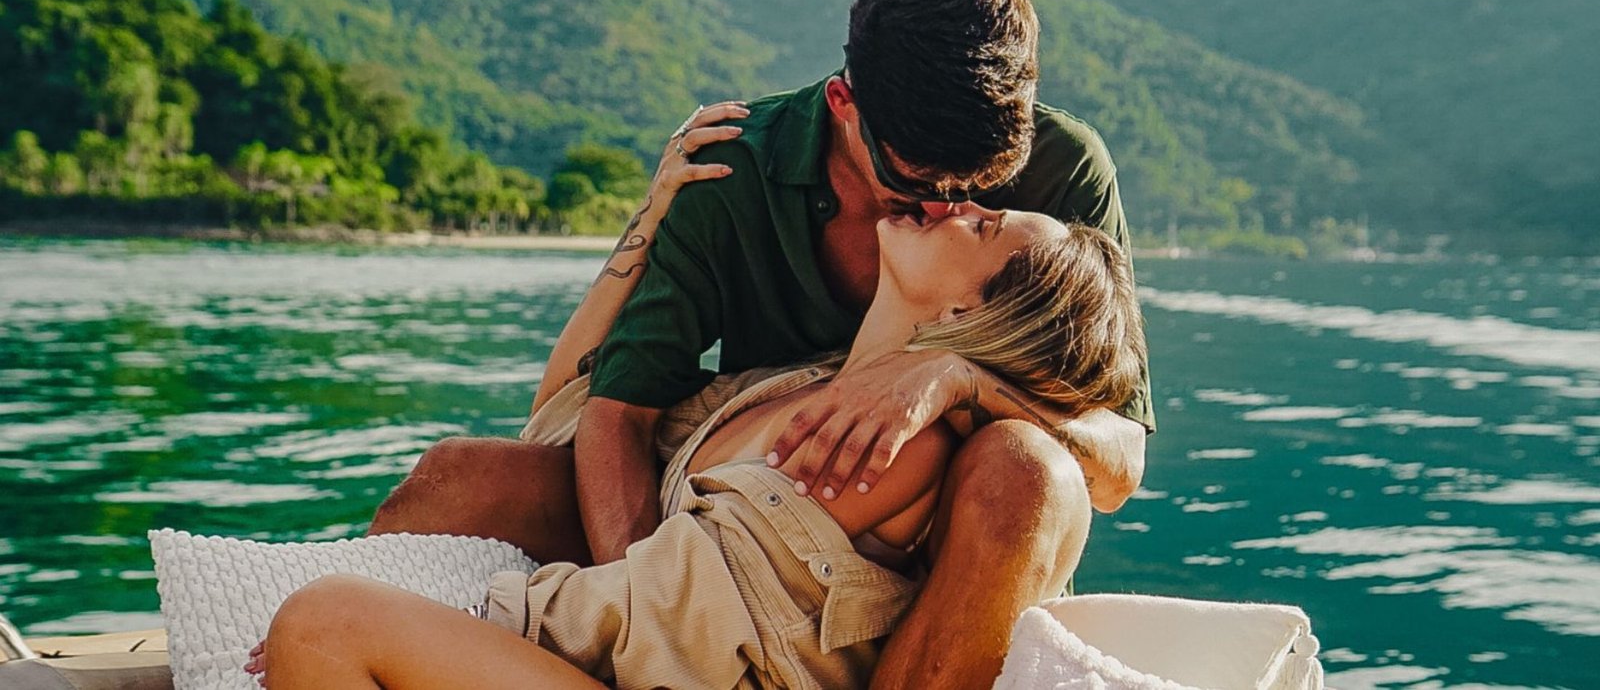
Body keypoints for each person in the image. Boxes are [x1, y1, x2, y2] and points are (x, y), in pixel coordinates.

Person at [366, 0, 1157, 685]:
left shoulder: (1062, 183)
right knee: (455, 481)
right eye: (919, 184)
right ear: (845, 104)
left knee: (1028, 469)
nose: (951, 205)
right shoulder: (735, 163)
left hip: (943, 544)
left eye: (983, 191)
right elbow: (617, 414)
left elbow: (1118, 467)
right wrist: (649, 609)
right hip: (739, 508)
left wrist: (958, 381)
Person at [248, 201, 1147, 689]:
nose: (959, 203)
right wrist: (659, 211)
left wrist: (475, 620)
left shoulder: (881, 450)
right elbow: (565, 412)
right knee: (358, 590)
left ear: (963, 315)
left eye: (983, 227)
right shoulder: (799, 390)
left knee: (327, 624)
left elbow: (664, 634)